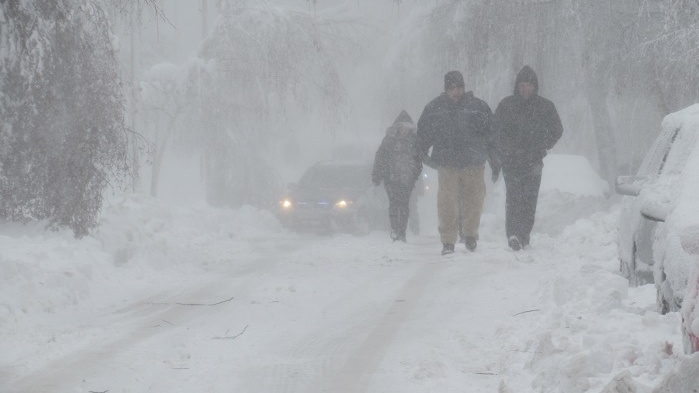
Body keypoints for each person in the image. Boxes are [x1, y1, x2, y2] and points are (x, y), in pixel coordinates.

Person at [416, 71, 499, 255]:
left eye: (459, 88)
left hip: (474, 162)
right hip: (447, 164)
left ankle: (470, 235)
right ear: (446, 90)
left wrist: (495, 160)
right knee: (447, 204)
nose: (456, 92)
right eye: (452, 88)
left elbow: (491, 135)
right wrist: (423, 155)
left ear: (464, 87)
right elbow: (423, 135)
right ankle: (448, 241)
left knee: (474, 201)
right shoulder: (435, 109)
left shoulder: (478, 107)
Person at [493, 65, 563, 251]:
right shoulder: (506, 105)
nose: (525, 89)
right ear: (517, 86)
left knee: (529, 201)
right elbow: (495, 131)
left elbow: (557, 129)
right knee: (514, 198)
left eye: (529, 85)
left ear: (535, 87)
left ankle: (524, 235)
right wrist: (504, 150)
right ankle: (513, 235)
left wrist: (543, 145)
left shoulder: (545, 107)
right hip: (511, 162)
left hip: (533, 162)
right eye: (522, 85)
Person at [372, 110, 423, 242]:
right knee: (394, 204)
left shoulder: (414, 140)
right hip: (391, 178)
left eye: (407, 128)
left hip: (407, 179)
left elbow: (419, 160)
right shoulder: (389, 140)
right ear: (398, 127)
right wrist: (377, 175)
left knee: (404, 205)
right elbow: (380, 157)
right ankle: (395, 230)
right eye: (402, 127)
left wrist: (415, 175)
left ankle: (402, 232)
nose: (404, 130)